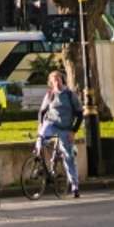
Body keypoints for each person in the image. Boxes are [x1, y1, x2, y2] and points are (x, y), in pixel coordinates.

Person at [37, 69, 82, 197]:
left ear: (62, 80)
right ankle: (39, 162)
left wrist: (73, 131)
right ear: (51, 82)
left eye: (58, 79)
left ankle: (75, 186)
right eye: (54, 80)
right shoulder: (50, 94)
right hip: (51, 123)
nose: (56, 82)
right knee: (41, 137)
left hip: (65, 127)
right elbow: (42, 111)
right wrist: (40, 124)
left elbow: (79, 113)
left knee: (68, 157)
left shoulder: (69, 94)